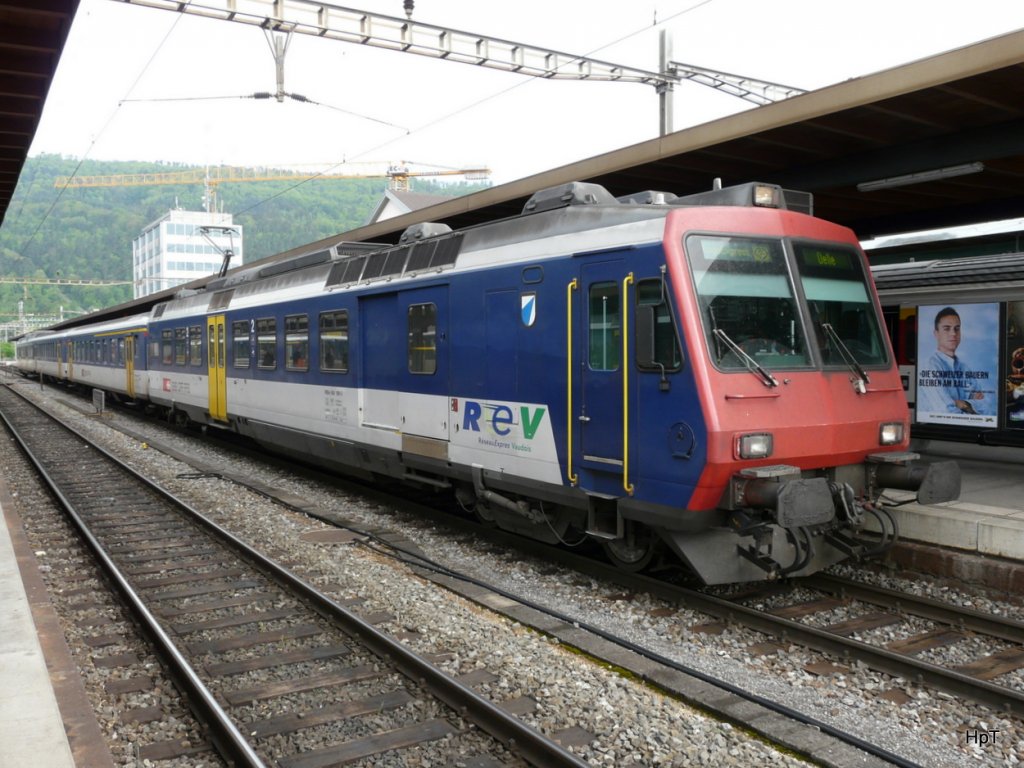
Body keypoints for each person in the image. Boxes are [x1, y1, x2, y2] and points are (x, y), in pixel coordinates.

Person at [919, 307, 985, 415]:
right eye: (947, 328)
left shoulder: (964, 368)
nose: (953, 333)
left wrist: (962, 403)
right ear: (936, 334)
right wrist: (971, 406)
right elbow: (946, 411)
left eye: (957, 329)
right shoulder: (930, 366)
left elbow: (985, 405)